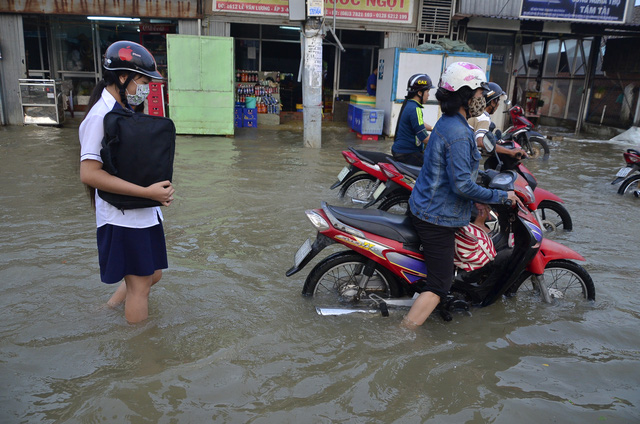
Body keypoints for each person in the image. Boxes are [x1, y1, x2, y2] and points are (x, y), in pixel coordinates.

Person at [401, 62, 519, 330]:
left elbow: (455, 178)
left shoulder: (450, 123)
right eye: (479, 94)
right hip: (436, 217)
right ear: (465, 96)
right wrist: (501, 197)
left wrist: (480, 200)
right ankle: (402, 334)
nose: (482, 99)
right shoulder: (458, 133)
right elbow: (462, 186)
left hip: (429, 206)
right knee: (439, 284)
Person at [79, 40, 175, 324]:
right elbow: (89, 174)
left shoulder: (123, 111)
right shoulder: (100, 116)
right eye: (143, 81)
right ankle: (141, 357)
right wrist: (147, 192)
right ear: (123, 77)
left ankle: (110, 307)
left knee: (152, 274)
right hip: (122, 216)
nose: (145, 88)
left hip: (141, 210)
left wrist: (154, 193)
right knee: (140, 285)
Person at [468, 82, 526, 158]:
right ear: (492, 102)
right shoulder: (483, 116)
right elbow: (481, 142)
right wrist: (510, 152)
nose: (498, 104)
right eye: (497, 101)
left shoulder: (473, 112)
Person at [391, 74, 435, 167]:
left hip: (400, 150)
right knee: (433, 167)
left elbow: (419, 124)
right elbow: (424, 138)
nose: (428, 95)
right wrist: (441, 139)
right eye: (427, 91)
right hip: (407, 153)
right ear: (419, 93)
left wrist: (432, 128)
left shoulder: (409, 104)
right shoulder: (416, 109)